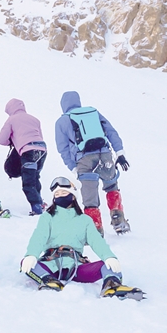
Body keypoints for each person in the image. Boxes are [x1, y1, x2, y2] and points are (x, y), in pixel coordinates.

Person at [19, 177, 144, 300]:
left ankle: (112, 285)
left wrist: (109, 257)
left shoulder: (85, 220)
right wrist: (31, 255)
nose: (60, 196)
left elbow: (97, 241)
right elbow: (39, 237)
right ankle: (48, 280)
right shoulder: (47, 217)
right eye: (57, 194)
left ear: (73, 196)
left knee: (108, 265)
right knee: (26, 264)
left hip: (76, 267)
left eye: (64, 193)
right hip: (51, 264)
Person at [54, 91, 130, 235]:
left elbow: (62, 148)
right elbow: (111, 132)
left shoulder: (62, 121)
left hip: (84, 160)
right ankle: (118, 219)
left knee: (90, 197)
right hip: (105, 155)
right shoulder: (93, 112)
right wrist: (119, 152)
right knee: (111, 186)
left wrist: (73, 167)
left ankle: (95, 229)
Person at [0, 98, 47, 215]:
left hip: (28, 152)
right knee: (35, 177)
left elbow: (1, 139)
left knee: (28, 181)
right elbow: (40, 136)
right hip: (42, 150)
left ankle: (36, 207)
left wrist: (11, 141)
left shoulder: (11, 119)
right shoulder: (35, 119)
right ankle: (40, 202)